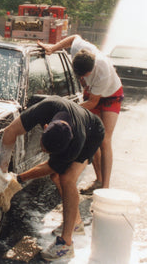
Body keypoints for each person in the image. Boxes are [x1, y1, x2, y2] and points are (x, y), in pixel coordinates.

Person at [0, 96, 104, 261]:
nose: (43, 151)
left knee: (66, 178)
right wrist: (2, 173)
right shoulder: (46, 108)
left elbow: (50, 167)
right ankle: (75, 222)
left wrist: (17, 180)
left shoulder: (75, 143)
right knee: (57, 176)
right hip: (75, 120)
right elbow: (10, 132)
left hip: (93, 132)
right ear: (45, 127)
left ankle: (65, 245)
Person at [38, 35, 123, 194]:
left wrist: (66, 108)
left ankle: (105, 188)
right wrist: (52, 48)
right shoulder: (80, 50)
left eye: (84, 76)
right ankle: (98, 180)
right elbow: (74, 38)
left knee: (104, 139)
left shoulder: (102, 71)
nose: (81, 79)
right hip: (92, 93)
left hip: (111, 95)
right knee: (94, 138)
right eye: (79, 76)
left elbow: (92, 102)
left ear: (92, 70)